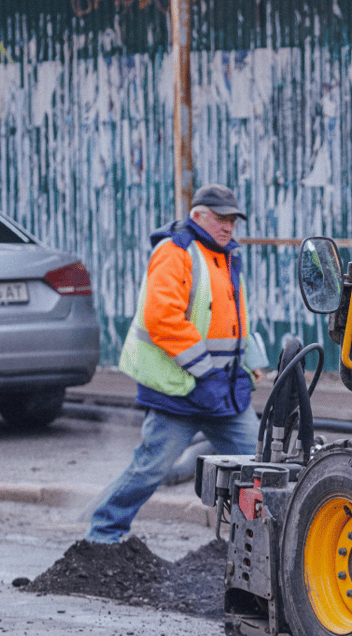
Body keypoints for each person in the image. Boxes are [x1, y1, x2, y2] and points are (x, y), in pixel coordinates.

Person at [84, 184, 265, 544]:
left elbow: (236, 319)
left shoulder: (227, 256)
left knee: (256, 468)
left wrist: (252, 362)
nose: (228, 226)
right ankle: (102, 535)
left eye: (232, 219)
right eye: (220, 218)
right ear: (197, 215)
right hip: (180, 391)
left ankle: (256, 544)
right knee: (151, 468)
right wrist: (206, 373)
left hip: (225, 393)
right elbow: (162, 318)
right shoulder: (176, 252)